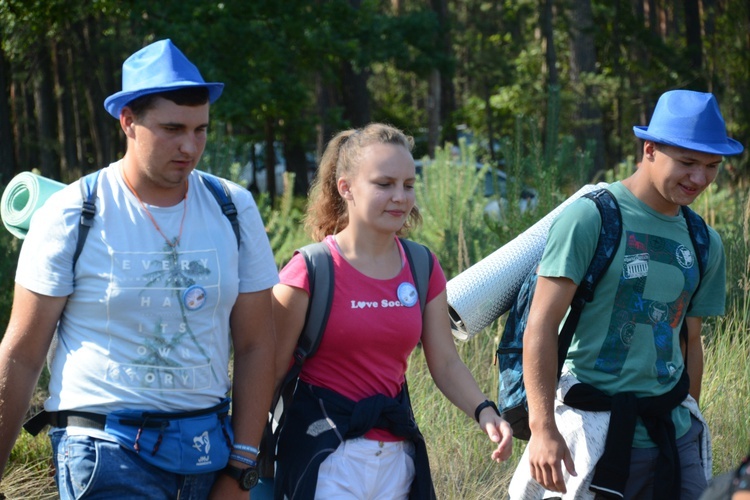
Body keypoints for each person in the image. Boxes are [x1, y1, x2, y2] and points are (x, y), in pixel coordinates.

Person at [0, 39, 278, 499]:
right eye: (172, 129)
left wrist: (242, 469)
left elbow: (255, 344)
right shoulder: (74, 212)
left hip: (208, 451)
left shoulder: (233, 207)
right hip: (105, 452)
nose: (190, 146)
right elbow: (22, 355)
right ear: (128, 121)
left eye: (201, 130)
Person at [508, 89, 744, 500]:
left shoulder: (705, 241)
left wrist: (688, 413)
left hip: (673, 436)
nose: (700, 179)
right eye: (687, 162)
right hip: (592, 426)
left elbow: (691, 340)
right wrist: (543, 429)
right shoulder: (592, 217)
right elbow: (541, 325)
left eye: (712, 166)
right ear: (649, 149)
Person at [270, 123, 514, 499]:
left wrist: (485, 411)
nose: (400, 197)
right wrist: (243, 456)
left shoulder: (422, 266)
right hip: (323, 457)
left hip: (398, 459)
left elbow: (446, 363)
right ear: (346, 187)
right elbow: (267, 370)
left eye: (408, 185)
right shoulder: (310, 270)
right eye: (384, 184)